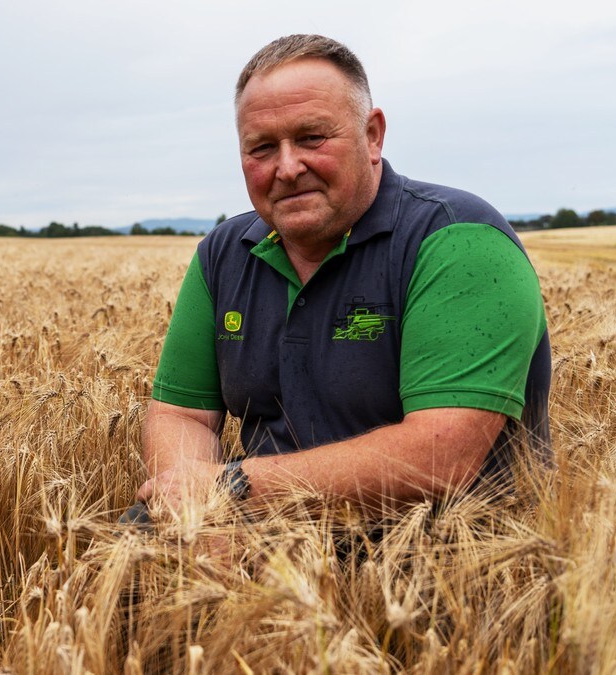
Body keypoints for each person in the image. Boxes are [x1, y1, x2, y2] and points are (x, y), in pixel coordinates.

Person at [133, 35, 550, 516]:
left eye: (312, 137)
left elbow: (440, 456)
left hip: (442, 559)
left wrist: (233, 487)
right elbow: (182, 415)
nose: (287, 168)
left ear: (372, 135)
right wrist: (196, 519)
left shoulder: (460, 241)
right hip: (253, 529)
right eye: (262, 148)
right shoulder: (222, 255)